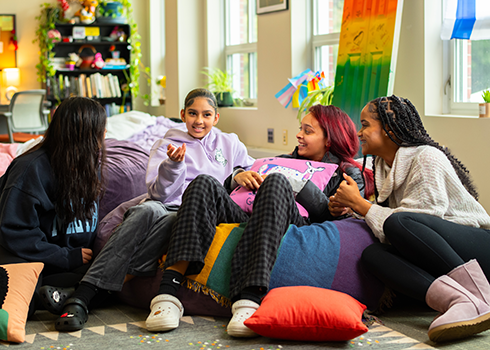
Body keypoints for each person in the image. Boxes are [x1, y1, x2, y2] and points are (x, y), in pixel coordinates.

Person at [145, 104, 374, 337]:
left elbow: (334, 217)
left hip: (290, 221)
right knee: (203, 182)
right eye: (300, 129)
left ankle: (248, 299)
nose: (299, 135)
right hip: (247, 214)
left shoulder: (347, 172)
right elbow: (231, 192)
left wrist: (297, 184)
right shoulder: (283, 159)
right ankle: (168, 294)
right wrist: (237, 177)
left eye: (308, 131)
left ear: (329, 139)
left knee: (276, 181)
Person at [53, 88, 255, 332]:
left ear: (216, 117)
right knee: (144, 212)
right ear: (182, 114)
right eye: (192, 113)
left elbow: (250, 170)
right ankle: (91, 293)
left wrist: (238, 174)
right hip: (165, 203)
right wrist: (173, 165)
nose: (199, 121)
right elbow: (158, 194)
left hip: (196, 212)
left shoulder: (230, 142)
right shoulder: (166, 143)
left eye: (206, 115)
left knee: (172, 223)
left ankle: (82, 294)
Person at [330, 95, 490, 343]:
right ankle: (458, 300)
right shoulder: (383, 166)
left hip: (478, 250)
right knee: (373, 255)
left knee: (399, 223)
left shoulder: (426, 156)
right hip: (443, 256)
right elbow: (400, 229)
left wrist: (361, 205)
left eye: (365, 125)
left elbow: (417, 222)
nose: (359, 132)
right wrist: (349, 208)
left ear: (389, 129)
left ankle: (481, 295)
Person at [0, 97, 107, 317]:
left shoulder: (88, 166)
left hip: (59, 261)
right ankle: (63, 297)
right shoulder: (31, 169)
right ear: (84, 134)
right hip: (21, 254)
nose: (105, 136)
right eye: (101, 130)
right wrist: (65, 256)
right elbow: (13, 232)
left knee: (112, 276)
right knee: (20, 305)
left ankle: (66, 295)